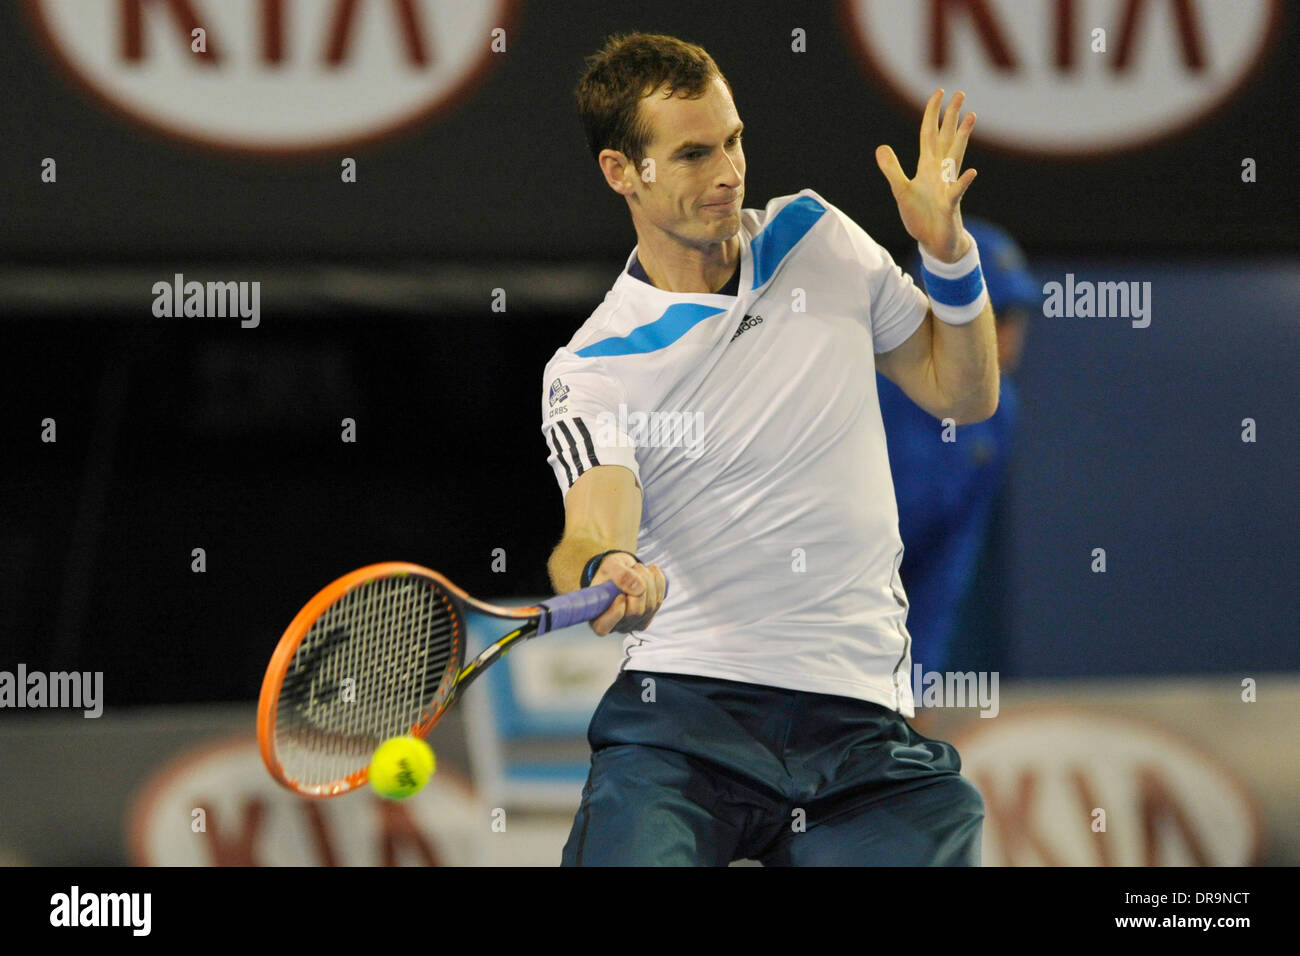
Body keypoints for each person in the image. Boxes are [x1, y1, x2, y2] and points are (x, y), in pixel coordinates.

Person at [540, 33, 995, 865]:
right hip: (683, 723)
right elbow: (590, 527)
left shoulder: (817, 236)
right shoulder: (593, 366)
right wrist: (607, 568)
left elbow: (962, 392)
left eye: (734, 141)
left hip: (861, 731)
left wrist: (946, 253)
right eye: (691, 154)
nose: (728, 172)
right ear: (620, 171)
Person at [877, 219, 1033, 690]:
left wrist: (917, 686)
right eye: (993, 316)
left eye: (1014, 317)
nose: (1008, 335)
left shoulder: (999, 412)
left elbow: (948, 564)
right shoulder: (860, 383)